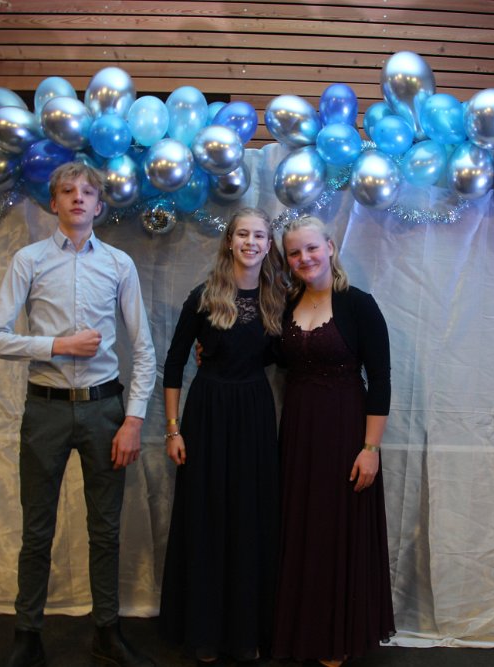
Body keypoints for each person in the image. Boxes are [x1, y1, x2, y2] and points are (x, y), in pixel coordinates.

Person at [0, 161, 157, 667]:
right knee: (37, 530)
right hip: (46, 411)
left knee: (106, 530)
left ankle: (107, 632)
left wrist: (133, 419)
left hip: (106, 412)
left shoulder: (119, 264)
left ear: (99, 206)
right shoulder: (29, 260)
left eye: (87, 192)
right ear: (53, 202)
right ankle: (26, 635)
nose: (78, 197)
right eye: (67, 190)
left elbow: (143, 349)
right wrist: (57, 345)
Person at [158, 208, 286, 663]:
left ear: (268, 245)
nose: (251, 242)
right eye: (243, 234)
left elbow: (282, 356)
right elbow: (174, 364)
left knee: (250, 518)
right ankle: (205, 632)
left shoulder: (277, 299)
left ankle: (246, 631)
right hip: (208, 414)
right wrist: (172, 430)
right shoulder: (204, 296)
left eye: (259, 236)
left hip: (254, 414)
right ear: (229, 241)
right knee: (207, 517)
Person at [272, 215, 395, 666]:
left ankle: (335, 637)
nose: (304, 258)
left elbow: (380, 380)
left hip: (345, 432)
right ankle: (298, 631)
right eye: (294, 252)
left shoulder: (358, 304)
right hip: (298, 431)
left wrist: (370, 449)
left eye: (311, 248)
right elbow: (265, 353)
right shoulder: (286, 303)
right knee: (299, 527)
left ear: (329, 247)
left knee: (334, 530)